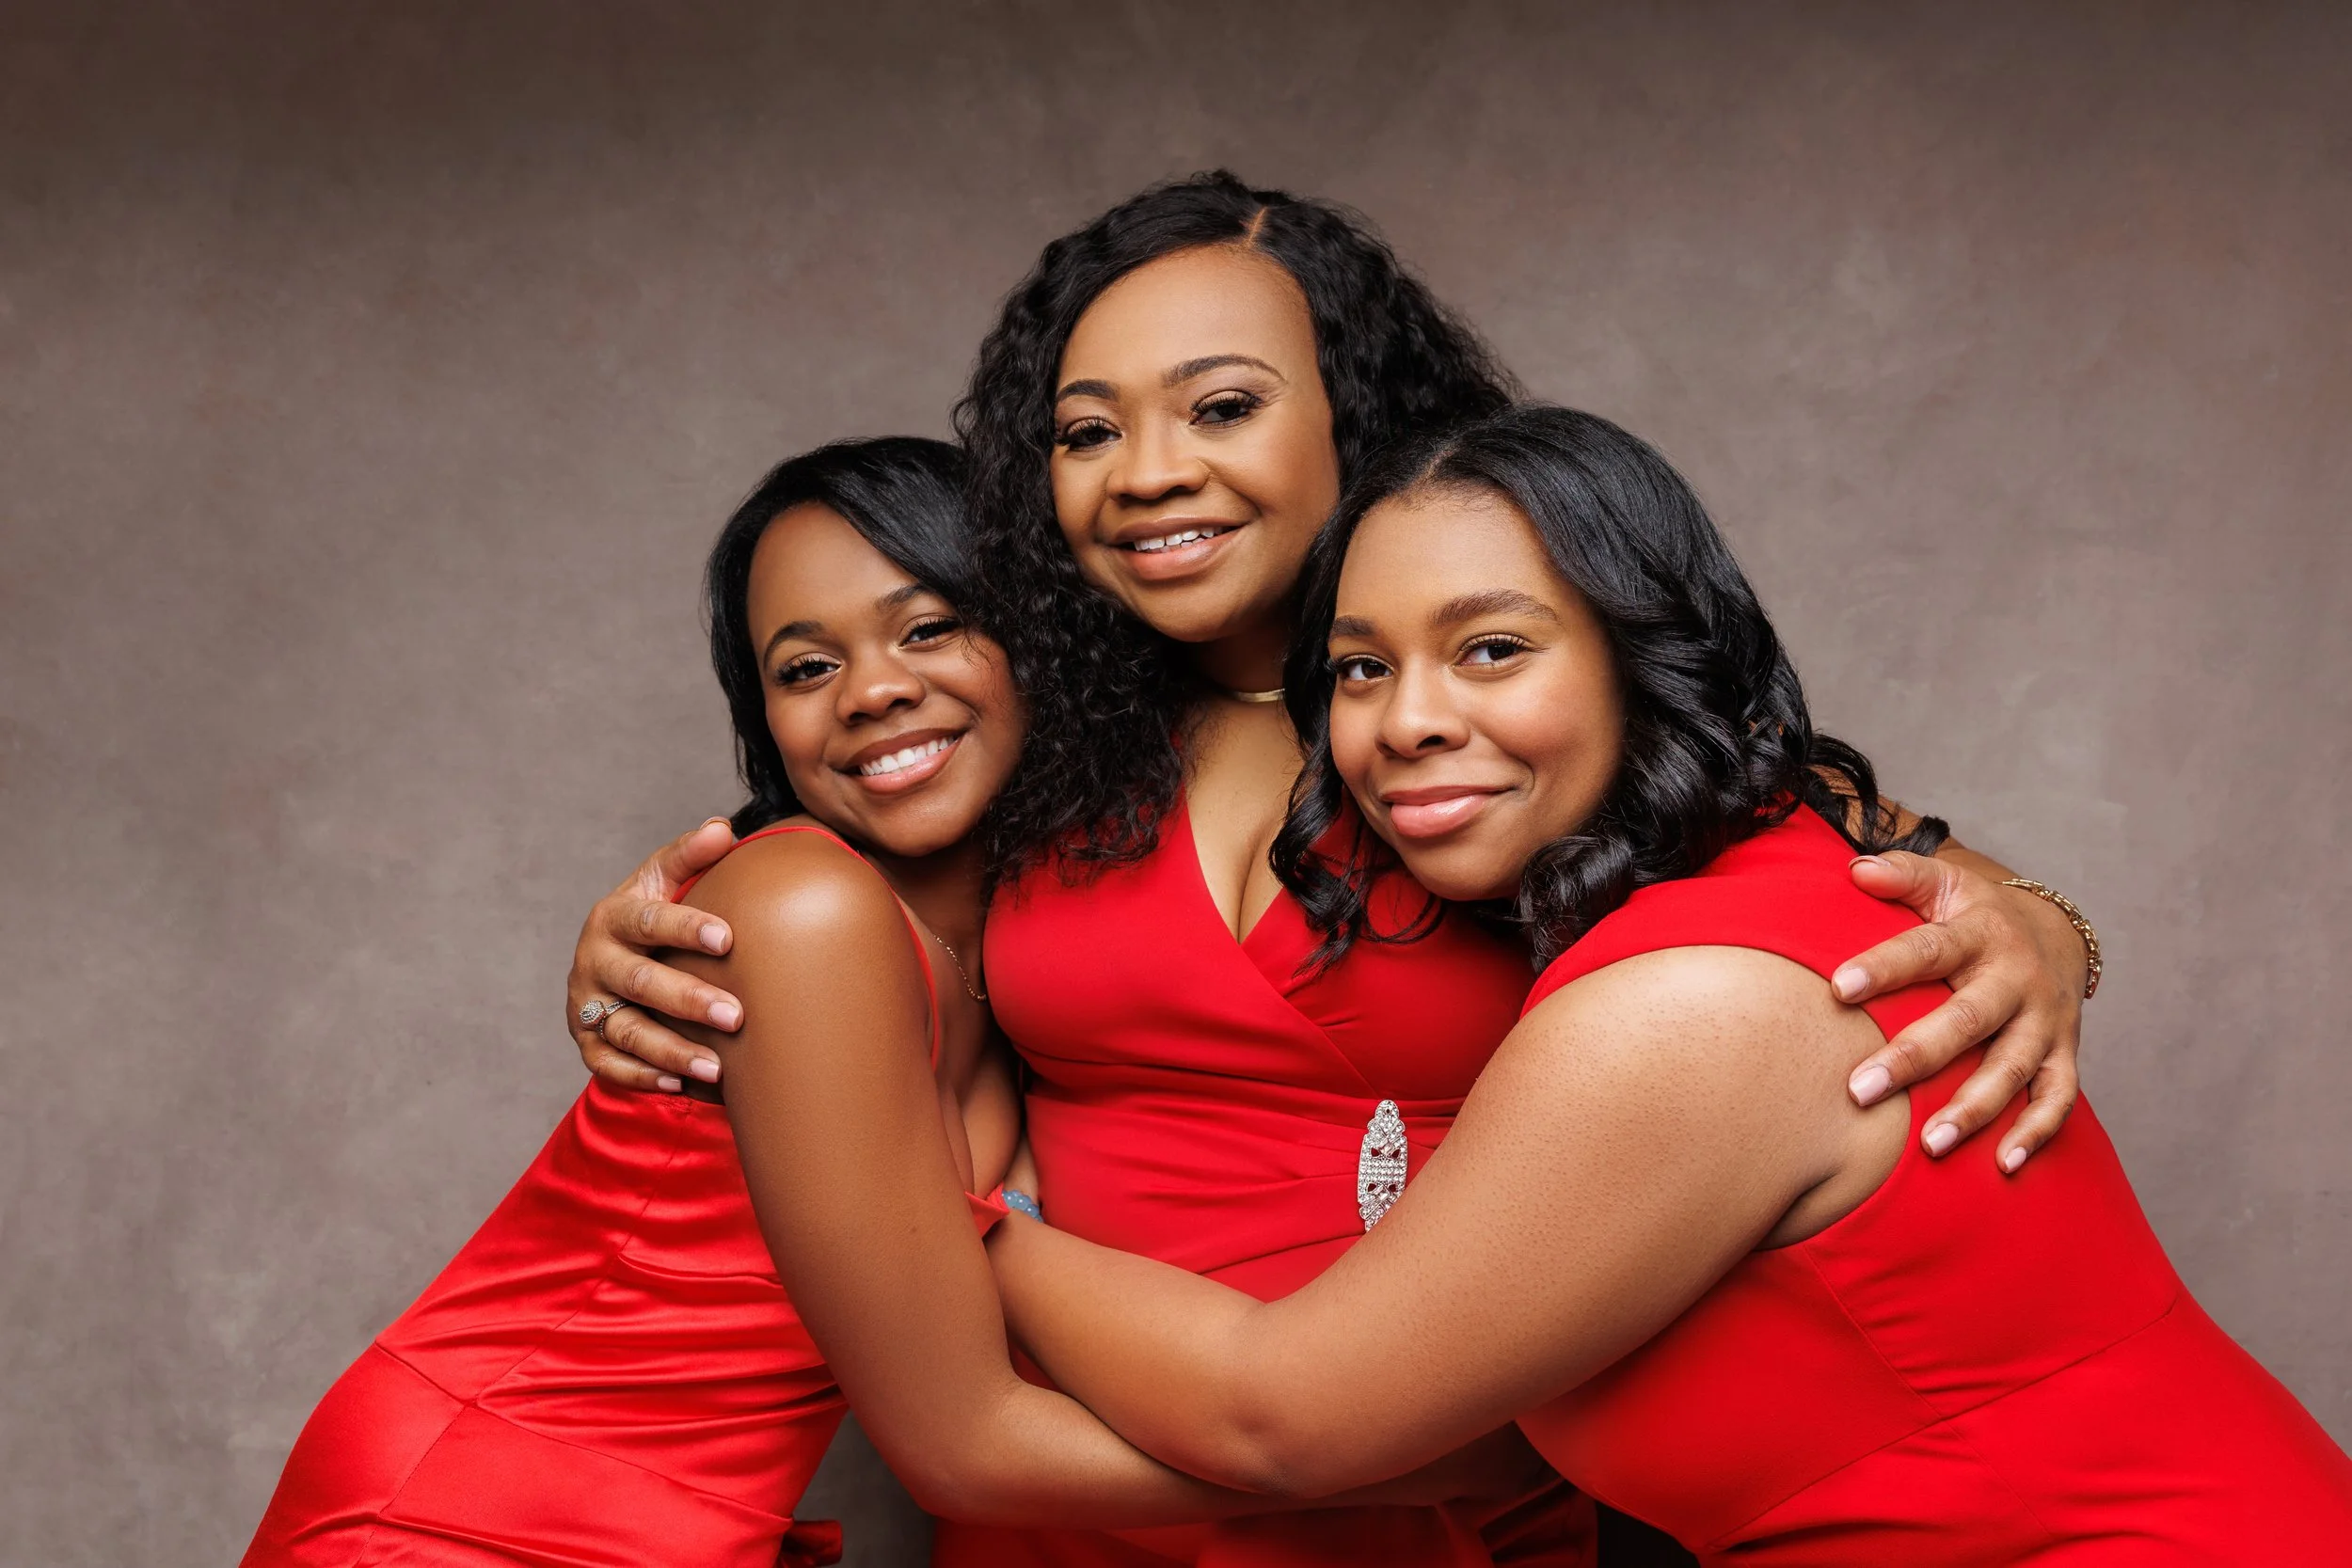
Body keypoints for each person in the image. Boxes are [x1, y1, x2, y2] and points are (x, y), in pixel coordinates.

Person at [570, 174, 2098, 1566]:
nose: (1146, 474)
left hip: (1448, 1492)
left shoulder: (1482, 729)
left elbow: (1851, 862)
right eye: (1088, 432)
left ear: (1350, 415)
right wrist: (635, 940)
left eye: (1220, 407)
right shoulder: (1038, 735)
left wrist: (2043, 928)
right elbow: (839, 914)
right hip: (1072, 1496)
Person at [978, 404, 2352, 1564]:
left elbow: (1277, 1418)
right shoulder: (1777, 851)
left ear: (1640, 657)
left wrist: (974, 1217)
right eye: (1361, 668)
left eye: (1493, 647)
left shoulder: (1683, 1002)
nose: (1408, 721)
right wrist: (2054, 926)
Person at [240, 438, 1534, 1568]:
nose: (871, 693)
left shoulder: (1027, 957)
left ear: (1038, 641)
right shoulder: (805, 909)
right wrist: (1418, 1453)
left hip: (677, 1515)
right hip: (479, 1502)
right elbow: (966, 1445)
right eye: (806, 668)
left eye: (927, 629)